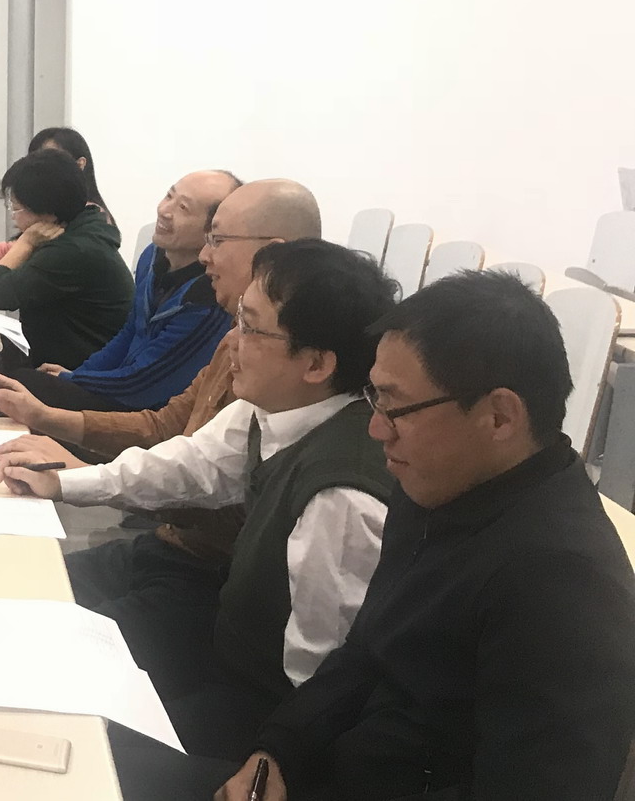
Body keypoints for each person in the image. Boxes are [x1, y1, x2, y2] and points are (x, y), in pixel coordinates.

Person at [191, 272, 635, 801]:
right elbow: (365, 652)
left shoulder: (562, 584)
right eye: (374, 398)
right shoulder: (436, 487)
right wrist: (279, 750)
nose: (376, 428)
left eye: (395, 406)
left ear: (499, 417)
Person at [0, 240, 398, 761]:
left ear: (317, 364)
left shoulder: (340, 496)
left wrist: (274, 758)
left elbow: (318, 669)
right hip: (228, 654)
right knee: (32, 621)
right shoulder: (270, 408)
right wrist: (69, 484)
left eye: (250, 327)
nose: (231, 341)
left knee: (85, 748)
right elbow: (190, 464)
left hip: (268, 711)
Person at [3, 169, 240, 413]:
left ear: (212, 230)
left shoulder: (207, 298)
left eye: (183, 208)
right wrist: (77, 375)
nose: (165, 211)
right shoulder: (152, 255)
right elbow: (129, 333)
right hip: (121, 386)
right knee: (11, 372)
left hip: (151, 413)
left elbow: (145, 385)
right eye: (169, 196)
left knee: (18, 384)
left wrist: (74, 381)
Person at [0, 147, 134, 370]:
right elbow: (5, 274)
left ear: (46, 212)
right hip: (63, 360)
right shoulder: (81, 228)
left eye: (15, 208)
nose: (12, 216)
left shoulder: (73, 251)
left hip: (76, 372)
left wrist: (26, 242)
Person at [0, 125, 112, 280]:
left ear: (79, 165)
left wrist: (25, 243)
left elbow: (2, 283)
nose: (43, 168)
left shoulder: (83, 224)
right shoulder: (61, 219)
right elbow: (8, 255)